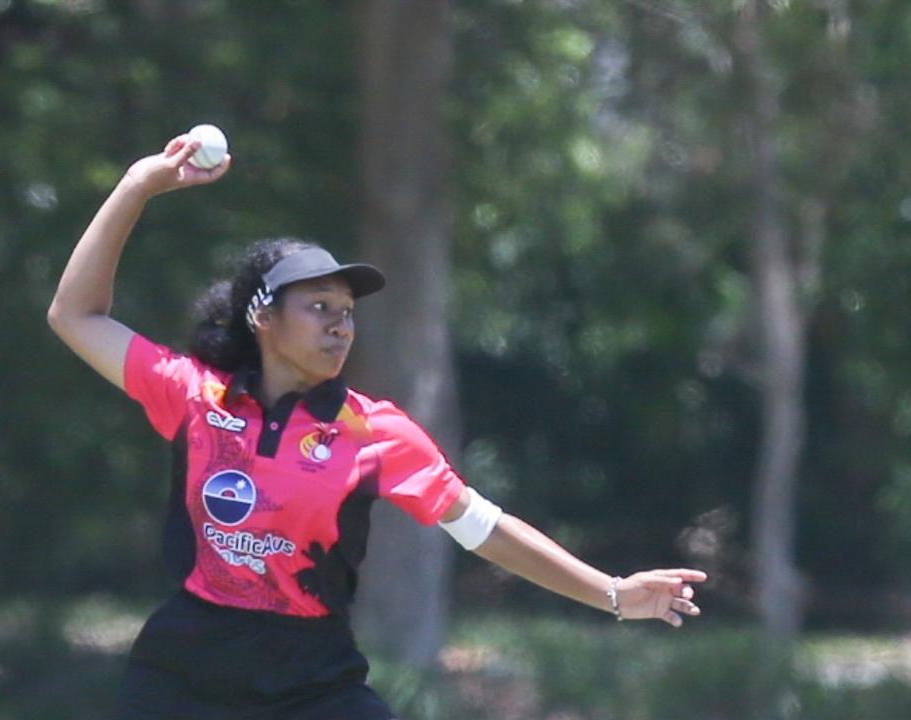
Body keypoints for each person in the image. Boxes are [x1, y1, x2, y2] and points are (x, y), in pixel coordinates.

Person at [47, 131, 707, 720]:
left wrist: (613, 593)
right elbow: (75, 315)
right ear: (262, 318)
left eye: (346, 310)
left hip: (310, 678)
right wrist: (137, 186)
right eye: (318, 307)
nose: (340, 323)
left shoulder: (373, 431)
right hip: (185, 672)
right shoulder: (196, 396)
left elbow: (485, 531)